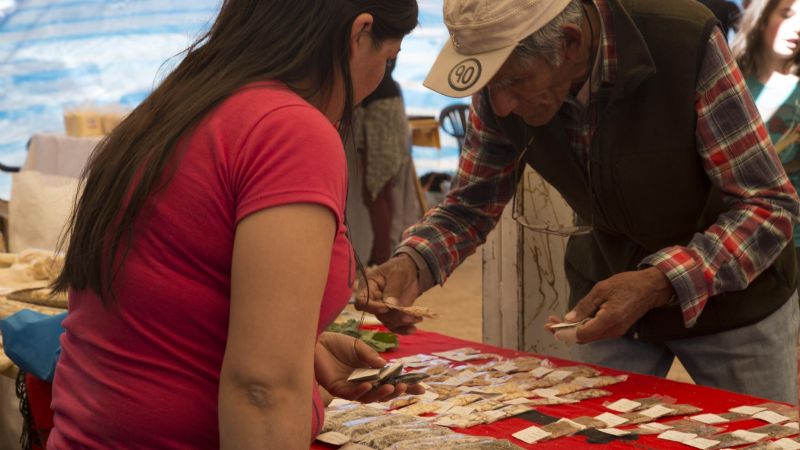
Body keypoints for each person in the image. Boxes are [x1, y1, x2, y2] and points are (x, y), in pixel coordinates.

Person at [358, 0, 800, 404]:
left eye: (514, 81)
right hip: (609, 296)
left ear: (570, 44)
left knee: (764, 434)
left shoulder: (683, 42)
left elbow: (769, 205)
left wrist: (659, 282)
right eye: (490, 85)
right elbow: (471, 204)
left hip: (735, 292)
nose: (501, 105)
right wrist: (413, 263)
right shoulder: (501, 81)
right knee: (589, 433)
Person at [47, 0, 419, 448]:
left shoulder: (175, 107)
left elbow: (166, 305)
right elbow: (262, 389)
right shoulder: (290, 129)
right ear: (359, 34)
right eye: (388, 59)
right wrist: (283, 375)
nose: (381, 75)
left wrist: (303, 355)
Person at [733, 0, 800, 267]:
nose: (797, 27)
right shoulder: (729, 80)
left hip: (793, 237)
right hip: (736, 235)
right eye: (786, 14)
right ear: (761, 18)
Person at [353, 58, 411, 265]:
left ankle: (380, 255)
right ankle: (380, 252)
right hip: (390, 111)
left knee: (375, 195)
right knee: (382, 193)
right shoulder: (385, 61)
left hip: (378, 116)